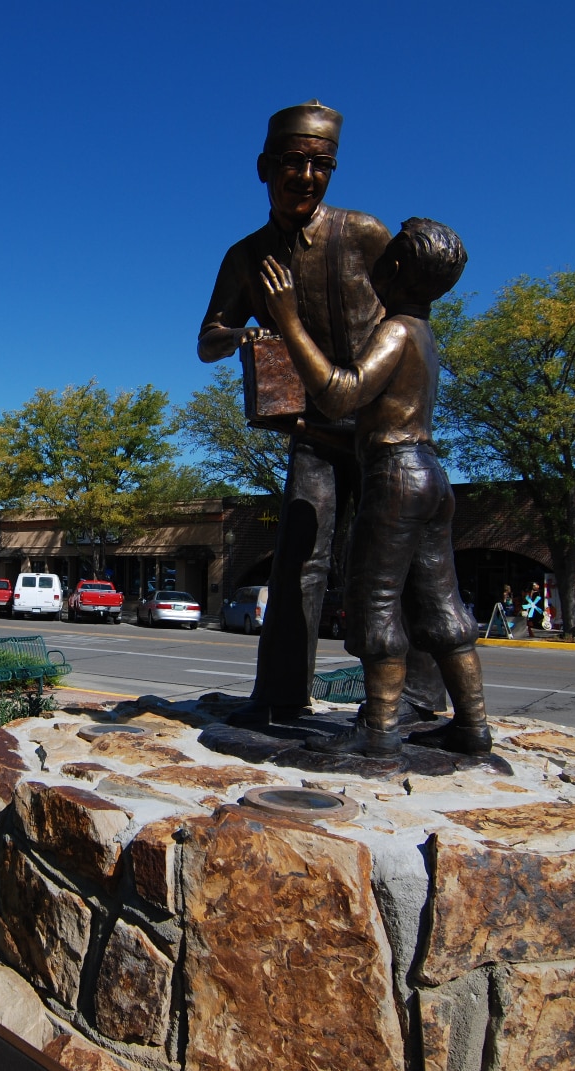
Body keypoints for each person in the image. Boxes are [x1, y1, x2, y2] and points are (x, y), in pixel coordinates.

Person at [199, 100, 425, 725]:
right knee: (300, 560)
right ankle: (279, 695)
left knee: (399, 564)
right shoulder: (245, 257)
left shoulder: (365, 233)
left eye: (320, 165)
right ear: (264, 167)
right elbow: (207, 338)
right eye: (293, 163)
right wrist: (242, 336)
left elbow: (413, 319)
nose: (306, 176)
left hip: (382, 433)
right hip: (312, 432)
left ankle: (423, 700)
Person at [258, 216, 488, 755]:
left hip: (396, 479)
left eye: (383, 260)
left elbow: (343, 395)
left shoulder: (397, 329)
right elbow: (373, 426)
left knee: (374, 600)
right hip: (429, 473)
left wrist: (290, 321)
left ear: (399, 269)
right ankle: (474, 725)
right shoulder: (427, 336)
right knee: (442, 603)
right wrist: (299, 428)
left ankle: (378, 731)